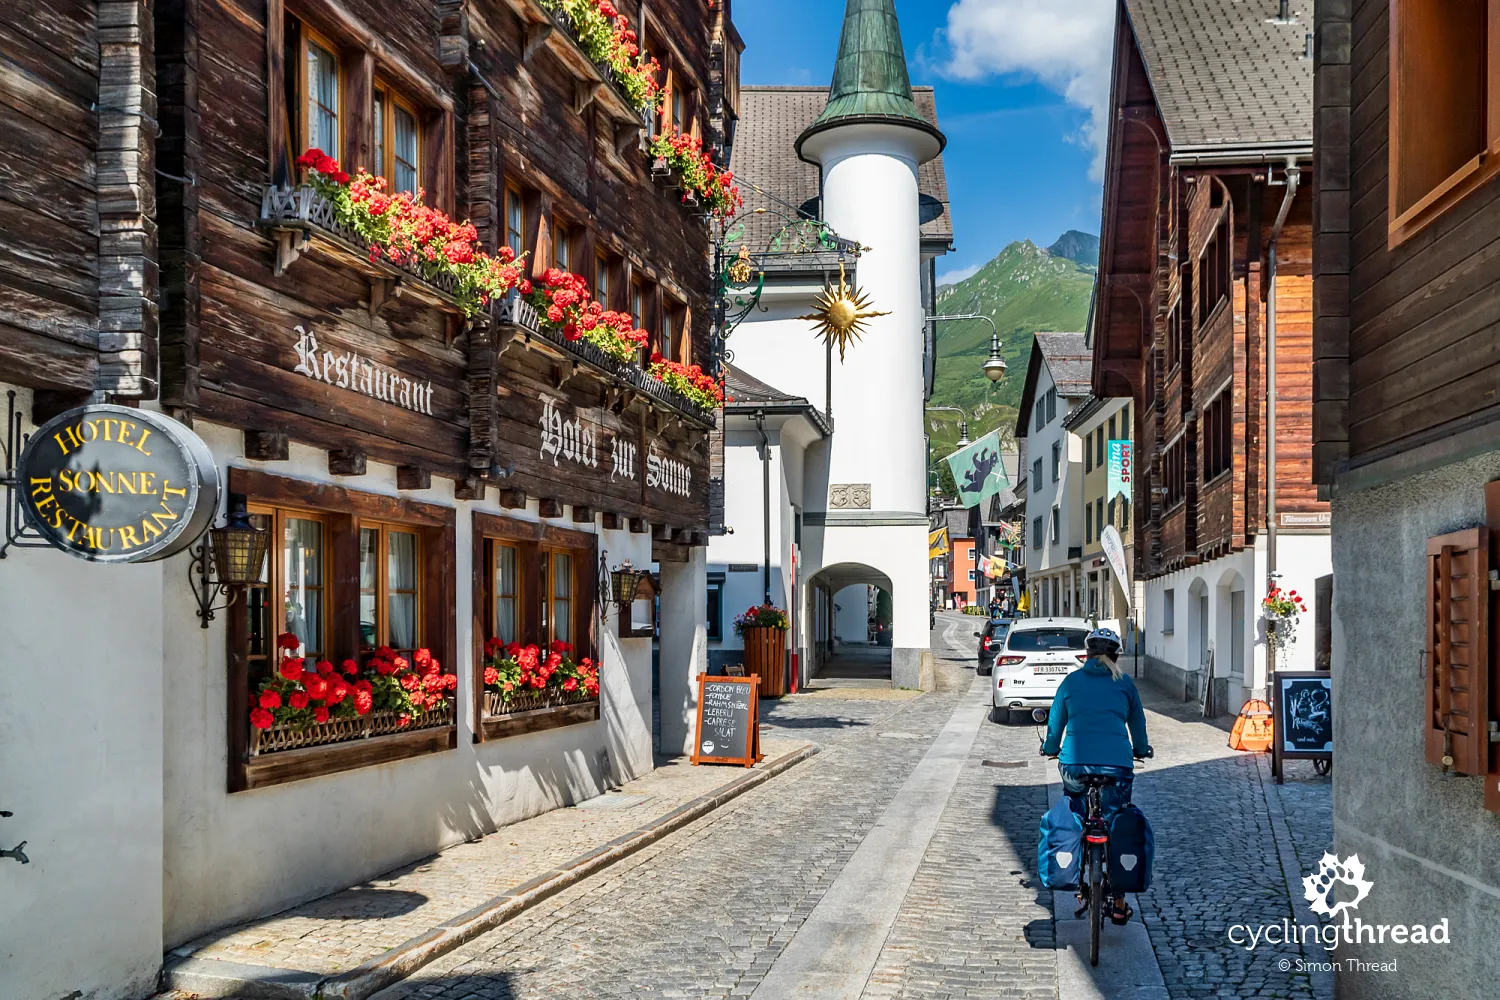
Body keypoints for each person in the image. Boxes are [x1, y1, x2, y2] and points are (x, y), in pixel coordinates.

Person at [1040, 626, 1151, 925]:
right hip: (1117, 767)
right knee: (1117, 820)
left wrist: (1049, 748)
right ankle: (1118, 901)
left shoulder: (1071, 682)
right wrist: (1142, 749)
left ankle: (1077, 877)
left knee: (1076, 812)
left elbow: (1055, 725)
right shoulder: (1125, 683)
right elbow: (1138, 726)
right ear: (1116, 655)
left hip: (1075, 766)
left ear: (1087, 653)